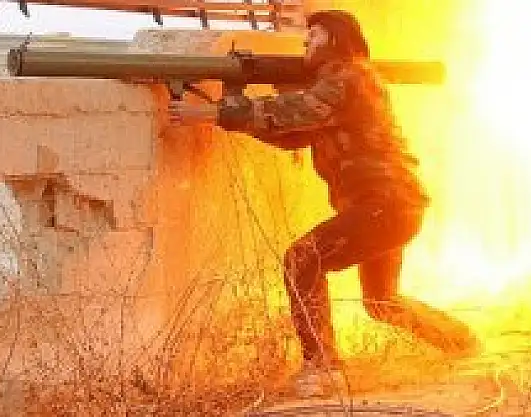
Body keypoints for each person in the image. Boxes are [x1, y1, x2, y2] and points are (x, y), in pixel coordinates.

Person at [169, 10, 480, 397]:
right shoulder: (344, 84)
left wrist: (216, 111)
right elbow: (292, 134)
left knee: (303, 260)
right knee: (381, 301)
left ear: (334, 39)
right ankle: (461, 341)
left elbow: (297, 112)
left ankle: (323, 367)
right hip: (393, 206)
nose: (306, 43)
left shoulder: (347, 76)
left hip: (383, 204)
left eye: (313, 36)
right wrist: (226, 113)